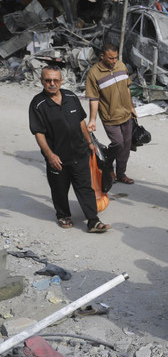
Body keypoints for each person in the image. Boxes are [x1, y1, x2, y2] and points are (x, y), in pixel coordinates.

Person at [29, 66, 111, 233]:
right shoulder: (38, 104)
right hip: (57, 157)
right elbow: (39, 133)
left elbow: (81, 122)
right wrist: (50, 155)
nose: (52, 83)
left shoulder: (71, 97)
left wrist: (89, 142)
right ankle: (63, 215)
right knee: (59, 189)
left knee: (85, 187)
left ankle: (93, 221)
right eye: (48, 80)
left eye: (55, 80)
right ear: (41, 81)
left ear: (61, 80)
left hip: (80, 153)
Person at [86, 43, 137, 184]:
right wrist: (92, 120)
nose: (114, 61)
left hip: (126, 114)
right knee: (118, 143)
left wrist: (132, 107)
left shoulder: (121, 66)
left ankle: (121, 173)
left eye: (115, 58)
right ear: (102, 56)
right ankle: (107, 166)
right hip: (110, 117)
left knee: (126, 145)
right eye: (111, 58)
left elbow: (126, 88)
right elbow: (94, 99)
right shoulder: (93, 73)